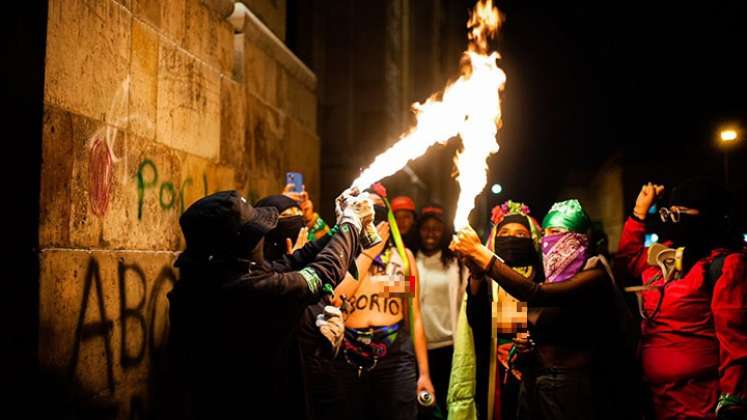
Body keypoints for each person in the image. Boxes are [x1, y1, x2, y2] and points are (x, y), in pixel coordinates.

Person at [167, 189, 370, 419]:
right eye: (256, 235)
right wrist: (350, 225)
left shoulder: (208, 276)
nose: (261, 239)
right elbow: (322, 273)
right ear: (240, 247)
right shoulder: (251, 291)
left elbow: (291, 261)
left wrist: (337, 229)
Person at [450, 199, 635, 420]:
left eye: (557, 232)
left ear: (581, 239)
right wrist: (525, 344)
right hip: (535, 381)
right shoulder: (547, 279)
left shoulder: (593, 275)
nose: (550, 240)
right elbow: (499, 324)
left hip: (571, 384)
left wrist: (482, 255)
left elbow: (536, 294)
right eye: (546, 233)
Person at [616, 178, 747, 419]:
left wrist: (732, 401)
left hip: (698, 404)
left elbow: (735, 345)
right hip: (655, 401)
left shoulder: (723, 266)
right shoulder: (663, 256)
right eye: (667, 212)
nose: (669, 220)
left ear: (707, 216)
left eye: (678, 213)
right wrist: (639, 212)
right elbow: (626, 261)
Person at [307, 183, 435, 420]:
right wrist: (368, 254)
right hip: (348, 355)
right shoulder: (343, 255)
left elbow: (415, 315)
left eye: (379, 213)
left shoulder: (405, 259)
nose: (374, 220)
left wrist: (424, 374)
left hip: (396, 355)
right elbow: (334, 298)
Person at [448, 201, 543, 420]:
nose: (512, 239)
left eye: (520, 235)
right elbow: (477, 323)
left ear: (533, 240)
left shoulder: (542, 278)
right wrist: (478, 276)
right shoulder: (490, 281)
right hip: (496, 374)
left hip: (538, 376)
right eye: (505, 233)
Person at [414, 203, 468, 416]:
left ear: (444, 232)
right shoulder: (410, 261)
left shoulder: (455, 264)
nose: (431, 233)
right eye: (426, 228)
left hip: (448, 346)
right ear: (419, 231)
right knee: (422, 405)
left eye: (436, 228)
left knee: (446, 401)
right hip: (418, 348)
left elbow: (465, 299)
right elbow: (404, 298)